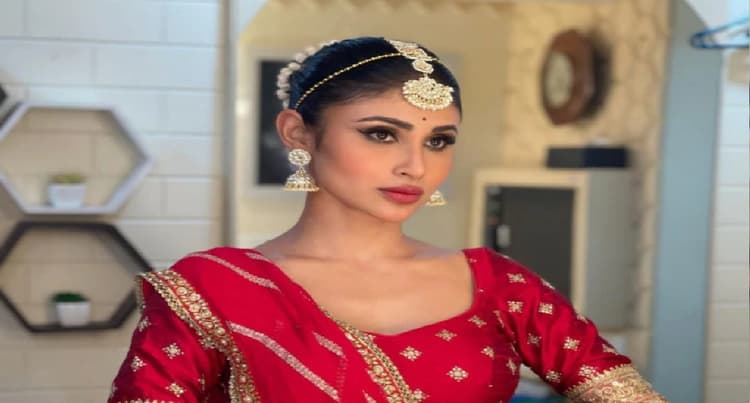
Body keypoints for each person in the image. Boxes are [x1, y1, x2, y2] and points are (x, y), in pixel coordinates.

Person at [108, 36, 667, 403]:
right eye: (381, 134)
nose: (415, 166)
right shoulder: (212, 290)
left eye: (439, 140)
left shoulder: (499, 286)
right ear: (298, 133)